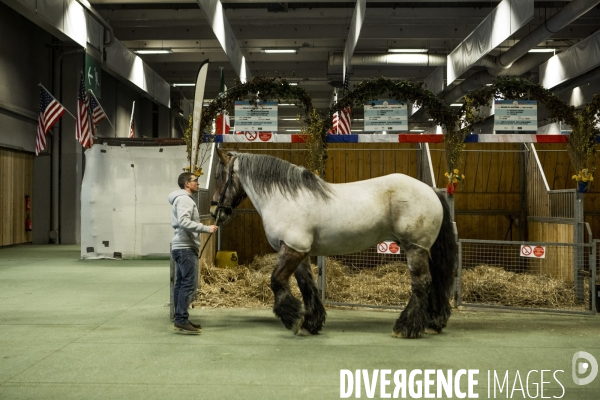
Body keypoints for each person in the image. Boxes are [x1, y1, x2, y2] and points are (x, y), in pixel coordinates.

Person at [168, 172, 218, 334]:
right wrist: (206, 228)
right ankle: (181, 320)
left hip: (182, 247)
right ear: (186, 184)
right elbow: (184, 222)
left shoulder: (183, 199)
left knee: (181, 284)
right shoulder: (184, 200)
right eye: (194, 181)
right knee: (189, 284)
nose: (197, 183)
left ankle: (180, 317)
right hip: (185, 248)